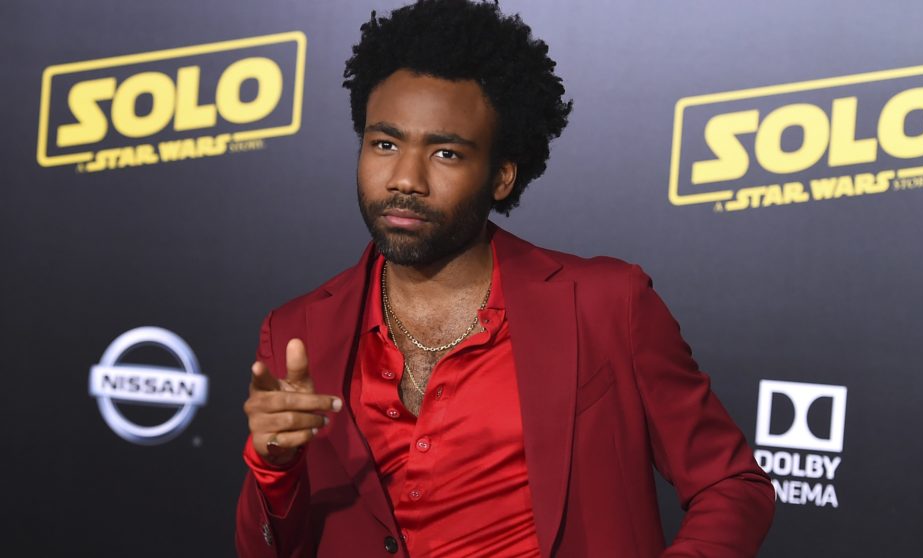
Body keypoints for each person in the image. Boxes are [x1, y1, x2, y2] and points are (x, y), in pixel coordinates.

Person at [235, 1, 775, 556]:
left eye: (445, 152)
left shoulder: (607, 305)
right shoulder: (297, 330)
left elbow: (731, 485)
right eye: (385, 143)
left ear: (502, 176)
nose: (405, 178)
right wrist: (275, 467)